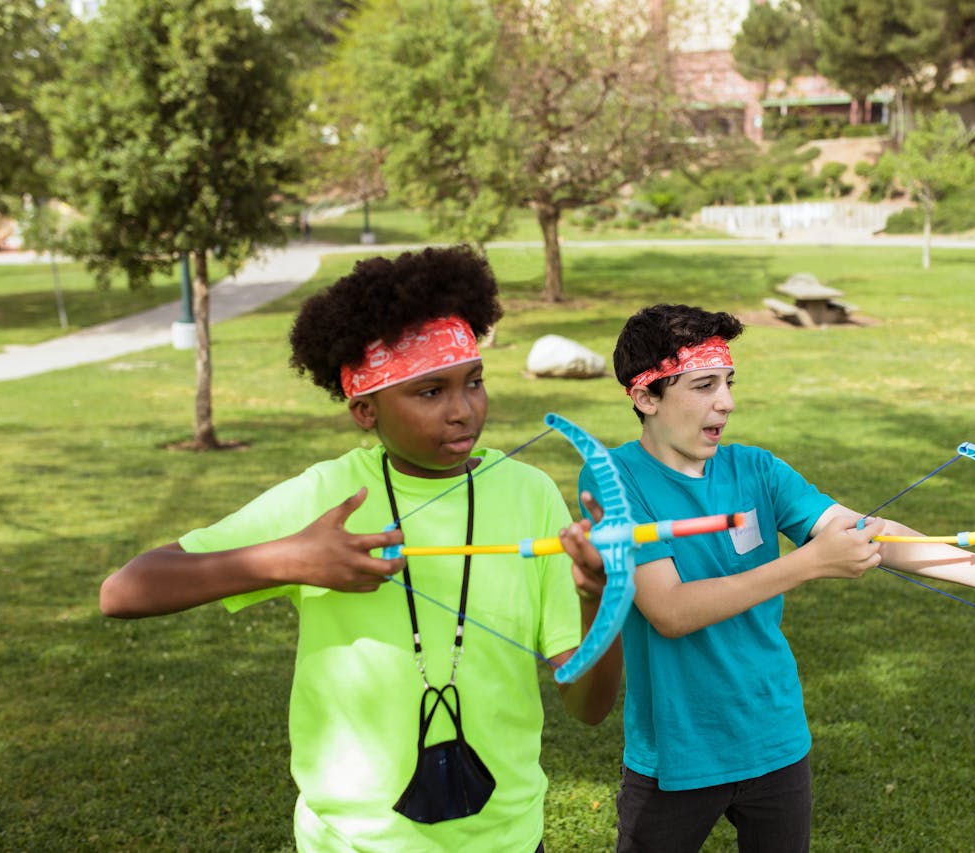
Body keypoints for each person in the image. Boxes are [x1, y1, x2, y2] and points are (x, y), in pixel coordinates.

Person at [100, 246, 622, 853]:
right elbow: (125, 591)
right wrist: (290, 560)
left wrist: (599, 597)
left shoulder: (529, 493)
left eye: (474, 382)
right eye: (430, 392)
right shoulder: (325, 496)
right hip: (351, 841)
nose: (463, 411)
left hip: (506, 838)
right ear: (364, 410)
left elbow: (588, 708)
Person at [579, 303, 975, 853]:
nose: (726, 401)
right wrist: (809, 563)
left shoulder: (756, 468)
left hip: (775, 737)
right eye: (702, 385)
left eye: (728, 381)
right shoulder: (615, 479)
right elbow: (670, 610)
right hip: (677, 754)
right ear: (645, 397)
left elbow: (868, 531)